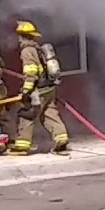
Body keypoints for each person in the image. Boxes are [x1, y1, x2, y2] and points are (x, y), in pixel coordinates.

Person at [12, 20, 71, 156]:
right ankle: (61, 139)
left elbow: (31, 71)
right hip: (49, 88)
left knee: (27, 114)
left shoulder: (27, 50)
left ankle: (22, 146)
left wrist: (26, 90)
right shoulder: (38, 48)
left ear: (21, 35)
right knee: (49, 113)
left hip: (37, 90)